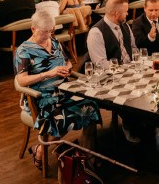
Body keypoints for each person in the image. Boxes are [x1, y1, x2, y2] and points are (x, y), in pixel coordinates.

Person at [14, 11, 101, 170]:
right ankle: (41, 150)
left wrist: (66, 70)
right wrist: (48, 73)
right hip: (41, 97)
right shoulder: (23, 51)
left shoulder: (54, 42)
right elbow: (21, 80)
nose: (48, 35)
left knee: (91, 105)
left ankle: (88, 155)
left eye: (50, 31)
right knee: (62, 117)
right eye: (44, 32)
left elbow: (68, 63)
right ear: (33, 29)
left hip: (64, 90)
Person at [86, 0, 137, 68]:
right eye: (126, 11)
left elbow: (133, 48)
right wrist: (123, 68)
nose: (127, 14)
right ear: (117, 13)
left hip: (131, 69)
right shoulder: (96, 33)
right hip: (111, 74)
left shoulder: (126, 26)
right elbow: (101, 63)